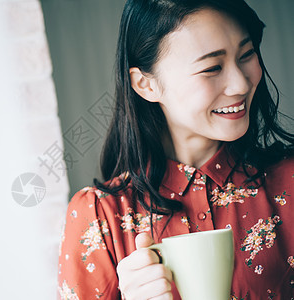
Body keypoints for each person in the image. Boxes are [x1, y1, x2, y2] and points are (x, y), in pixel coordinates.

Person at [57, 0, 294, 299]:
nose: (240, 83)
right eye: (212, 68)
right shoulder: (100, 216)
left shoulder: (289, 182)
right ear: (145, 84)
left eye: (247, 54)